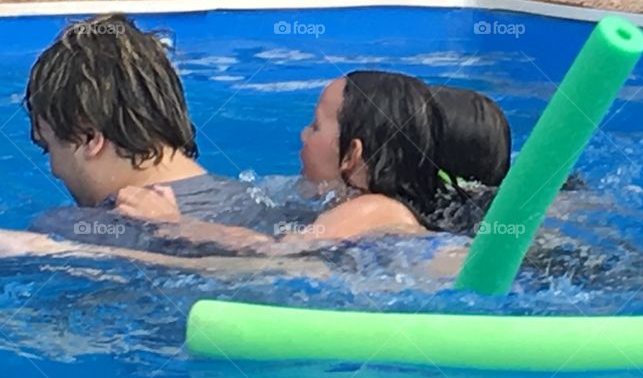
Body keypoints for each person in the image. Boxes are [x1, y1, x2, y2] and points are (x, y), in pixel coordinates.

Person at [118, 71, 494, 252]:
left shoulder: (374, 210)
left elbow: (276, 252)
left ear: (353, 155)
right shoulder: (377, 209)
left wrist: (171, 224)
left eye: (315, 126)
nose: (303, 135)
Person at [21, 13, 271, 256]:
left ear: (89, 137)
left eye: (48, 148)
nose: (54, 170)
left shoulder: (75, 229)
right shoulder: (264, 201)